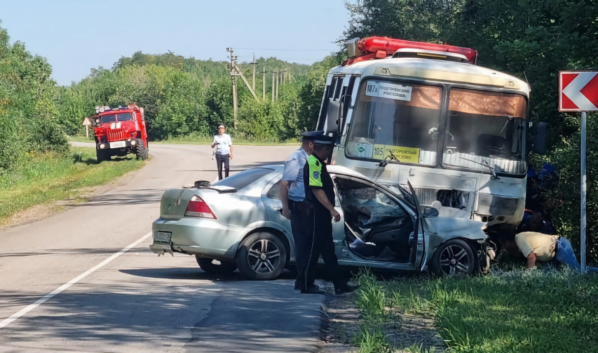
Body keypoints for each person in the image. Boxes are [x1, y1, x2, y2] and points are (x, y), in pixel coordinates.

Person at [298, 133, 359, 295]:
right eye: (329, 150)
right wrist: (332, 209)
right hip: (315, 213)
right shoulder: (313, 163)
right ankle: (305, 284)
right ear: (324, 149)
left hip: (321, 214)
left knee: (328, 251)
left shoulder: (317, 162)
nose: (329, 153)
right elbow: (316, 189)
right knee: (312, 251)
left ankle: (339, 285)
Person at [280, 132, 318, 292]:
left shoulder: (311, 159)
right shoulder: (296, 159)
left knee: (309, 247)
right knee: (303, 247)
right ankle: (303, 283)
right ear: (311, 144)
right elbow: (284, 185)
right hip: (300, 208)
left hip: (308, 207)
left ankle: (304, 282)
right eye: (319, 144)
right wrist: (286, 207)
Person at [502, 231, 598, 272]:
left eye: (504, 245)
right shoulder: (520, 239)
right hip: (554, 253)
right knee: (550, 275)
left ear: (508, 242)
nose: (504, 248)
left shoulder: (520, 240)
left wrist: (528, 274)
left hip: (560, 247)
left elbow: (531, 257)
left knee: (578, 272)